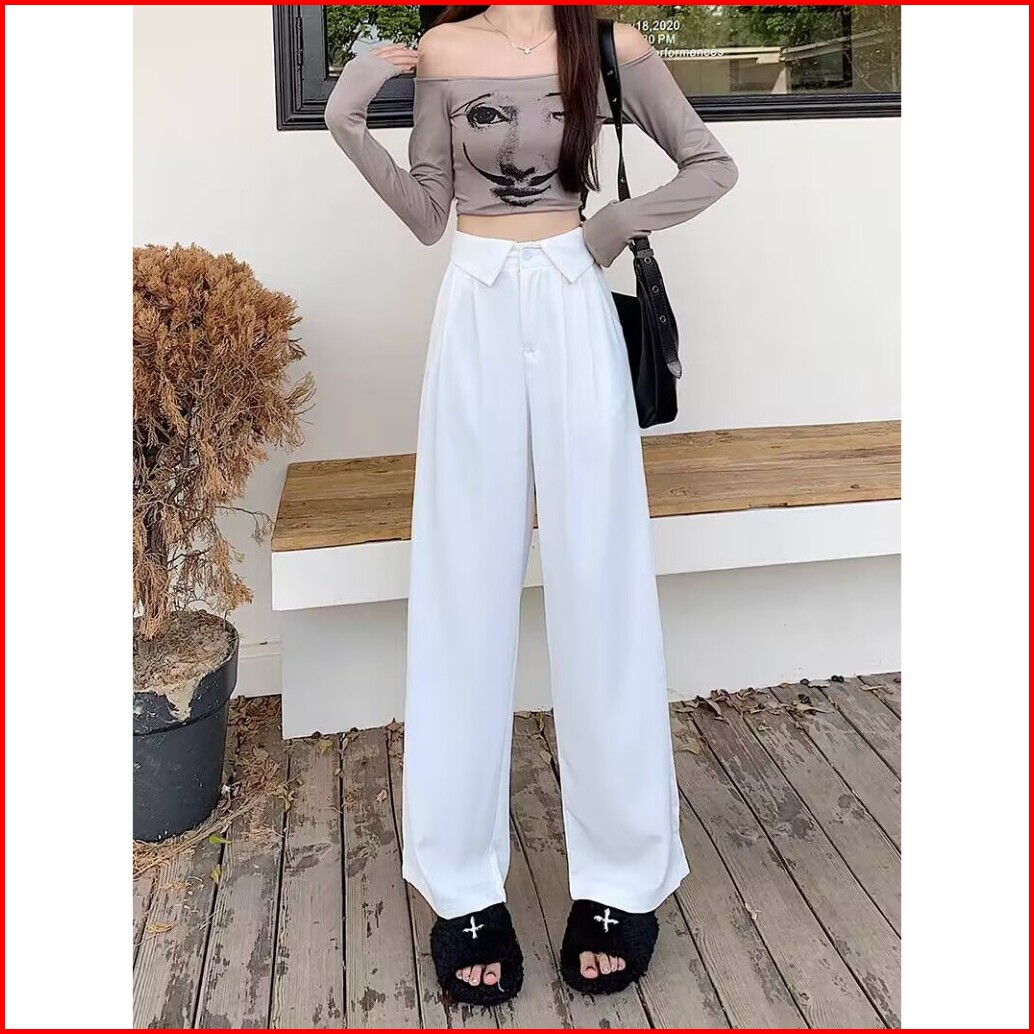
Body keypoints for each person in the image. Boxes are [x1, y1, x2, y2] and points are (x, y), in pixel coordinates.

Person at [324, 4, 737, 1005]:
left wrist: (607, 228)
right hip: (472, 309)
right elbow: (429, 215)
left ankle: (623, 873)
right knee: (462, 587)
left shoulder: (609, 45)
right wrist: (346, 118)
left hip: (574, 305)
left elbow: (709, 164)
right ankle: (460, 881)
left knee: (602, 582)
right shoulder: (446, 51)